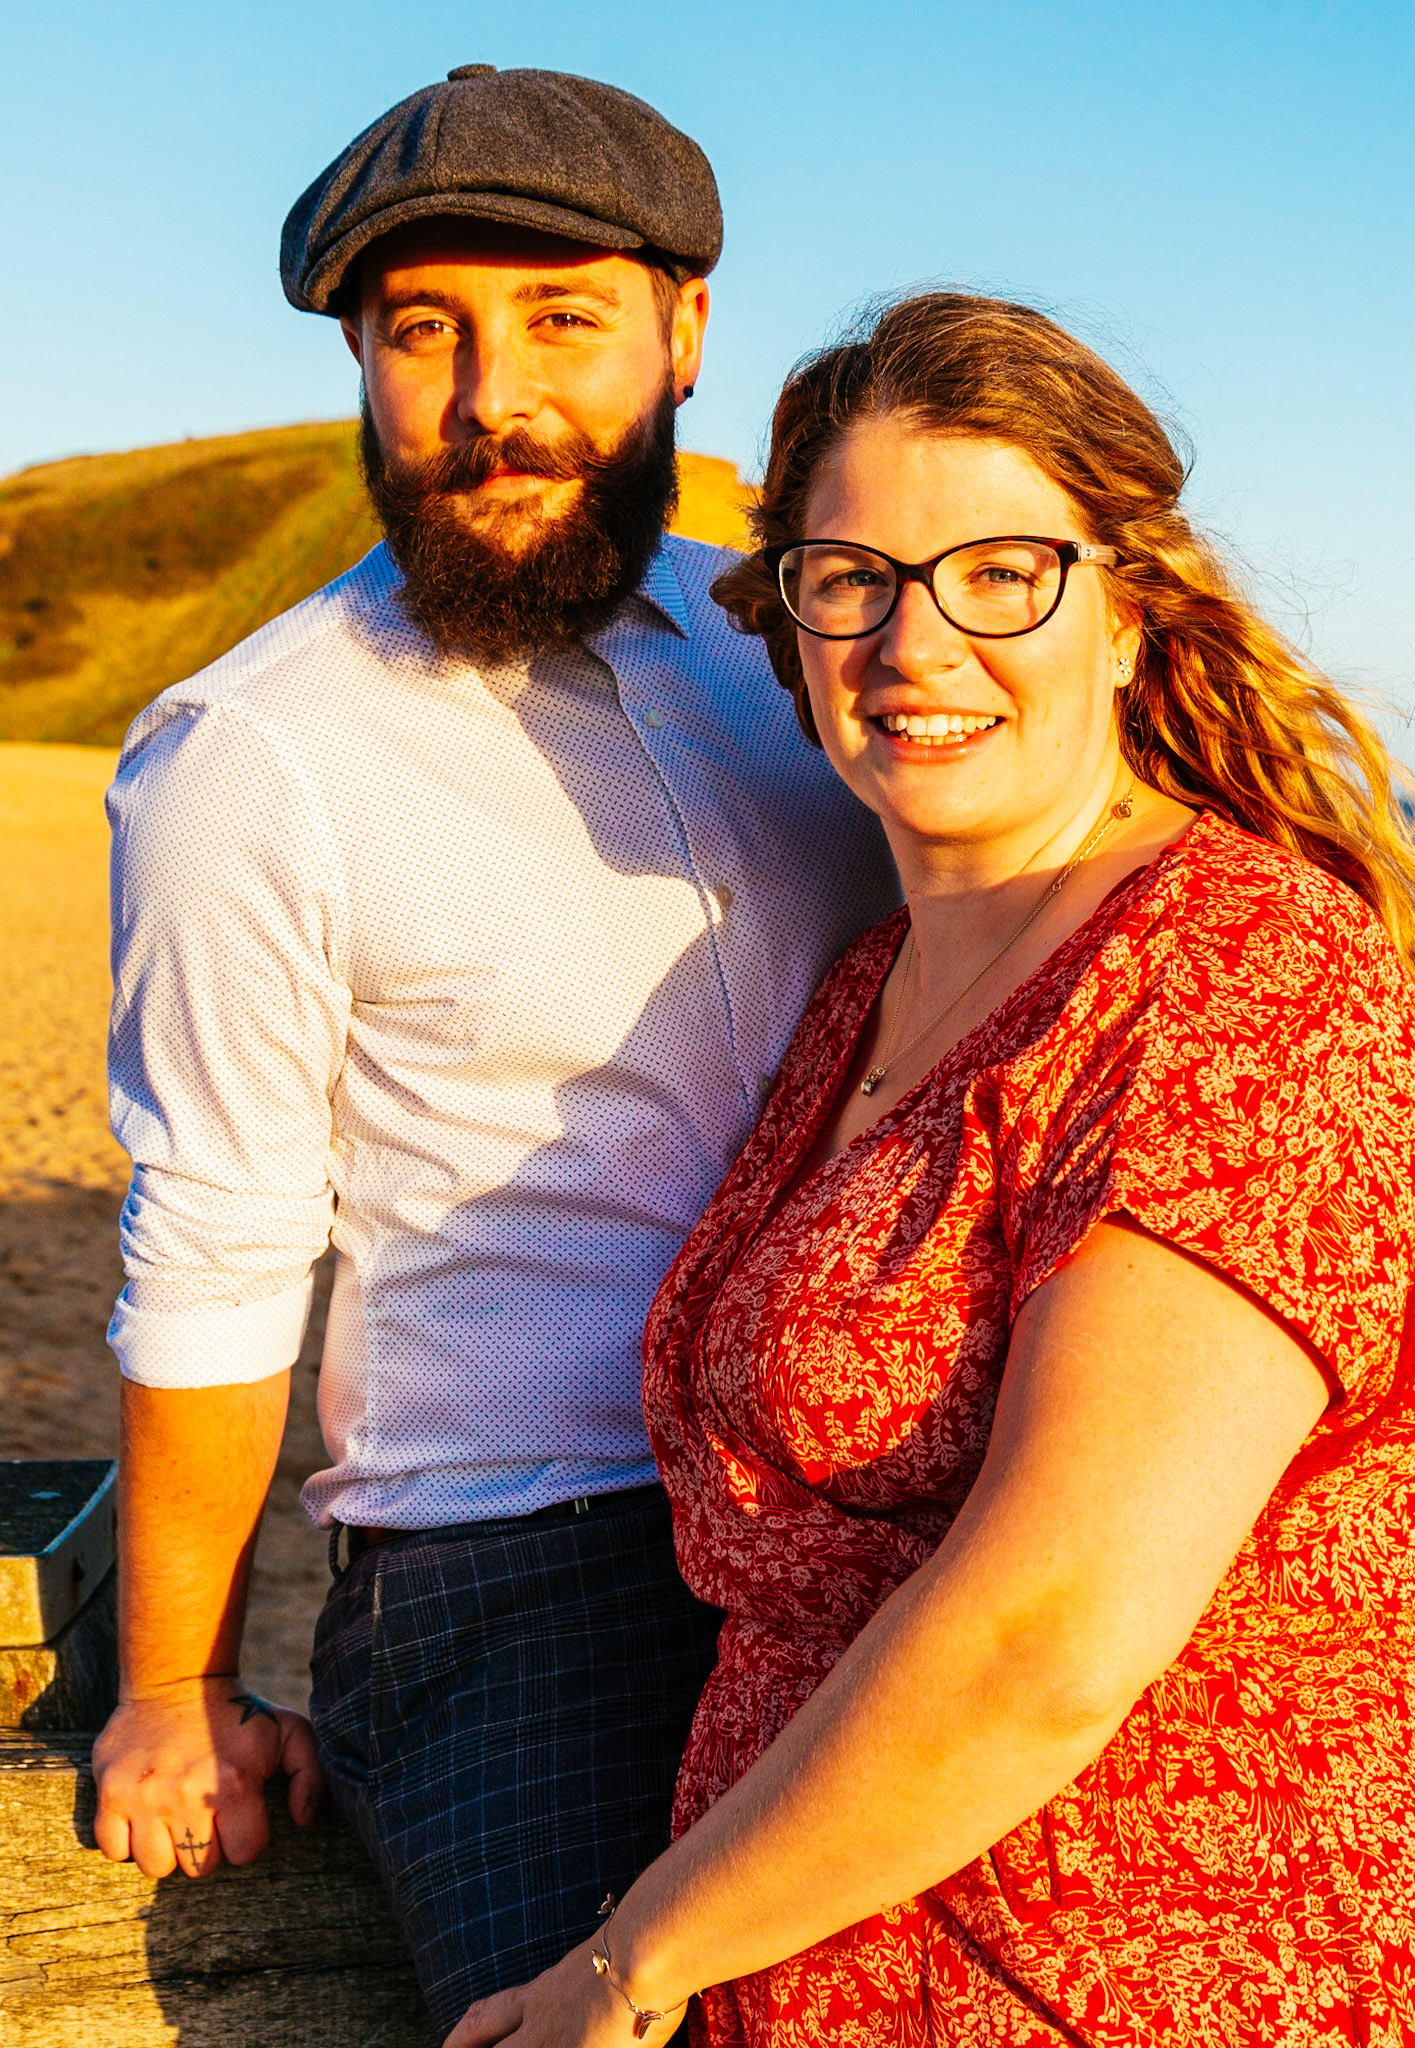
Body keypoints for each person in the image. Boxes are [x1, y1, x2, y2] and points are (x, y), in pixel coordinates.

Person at [449, 293, 1415, 2047]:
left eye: (1001, 572)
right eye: (851, 577)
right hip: (866, 1955)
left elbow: (1050, 1629)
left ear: (1129, 613)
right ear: (790, 628)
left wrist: (625, 1969)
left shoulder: (1236, 977)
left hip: (1214, 1969)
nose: (916, 644)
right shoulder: (869, 986)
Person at [88, 65, 895, 2035]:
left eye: (560, 321)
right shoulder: (255, 758)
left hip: (861, 1502)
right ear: (359, 358)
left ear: (686, 331)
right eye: (422, 330)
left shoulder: (802, 668)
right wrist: (175, 1681)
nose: (490, 397)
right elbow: (213, 1241)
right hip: (524, 1569)